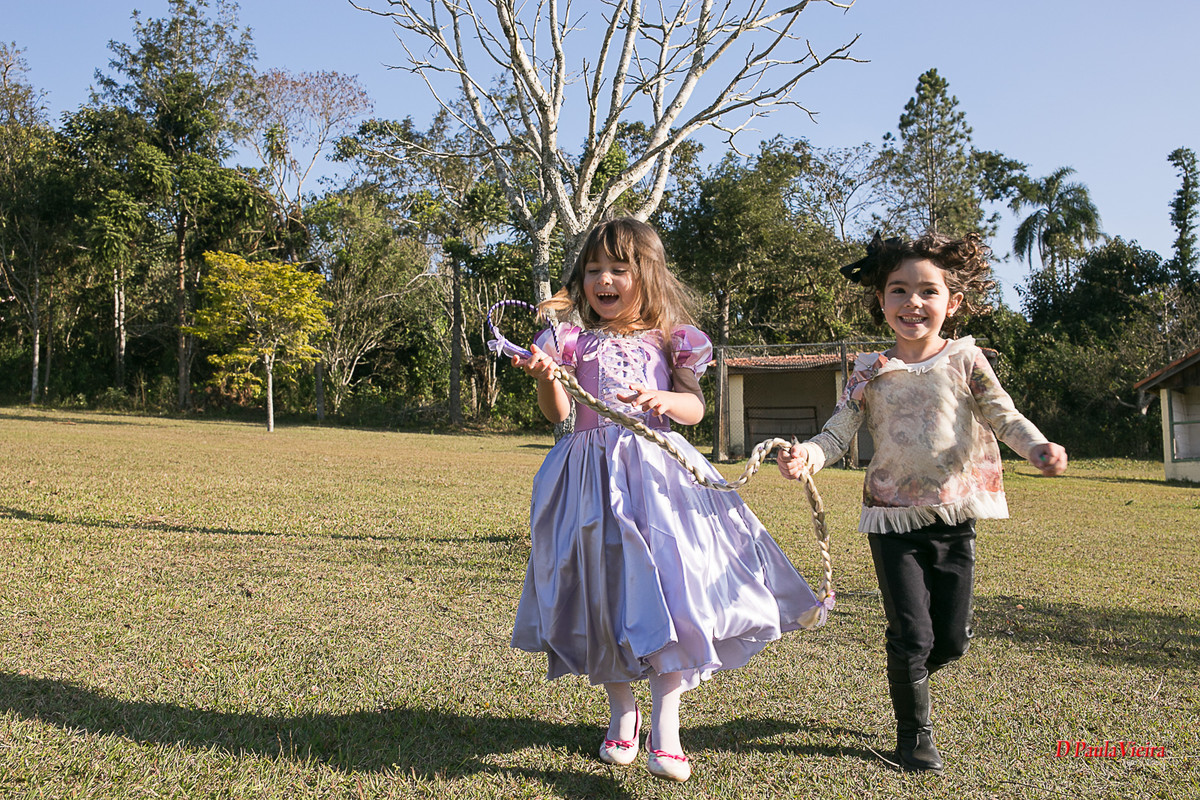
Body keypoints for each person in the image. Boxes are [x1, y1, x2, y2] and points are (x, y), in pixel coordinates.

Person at [509, 217, 823, 782]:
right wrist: (546, 375)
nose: (604, 280)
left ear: (646, 274)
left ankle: (667, 723)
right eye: (593, 270)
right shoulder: (568, 339)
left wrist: (662, 398)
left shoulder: (673, 338)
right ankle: (621, 710)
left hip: (659, 478)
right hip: (587, 479)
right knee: (601, 593)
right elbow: (558, 415)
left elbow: (696, 409)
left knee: (675, 591)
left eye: (619, 269)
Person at [778, 232, 1068, 774]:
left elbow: (1003, 416)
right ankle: (915, 736)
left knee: (949, 641)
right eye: (898, 290)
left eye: (928, 291)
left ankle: (909, 668)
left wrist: (1038, 448)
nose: (913, 302)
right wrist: (808, 458)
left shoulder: (966, 359)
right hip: (890, 517)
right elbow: (838, 433)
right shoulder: (868, 369)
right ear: (882, 301)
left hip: (955, 516)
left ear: (951, 303)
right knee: (911, 634)